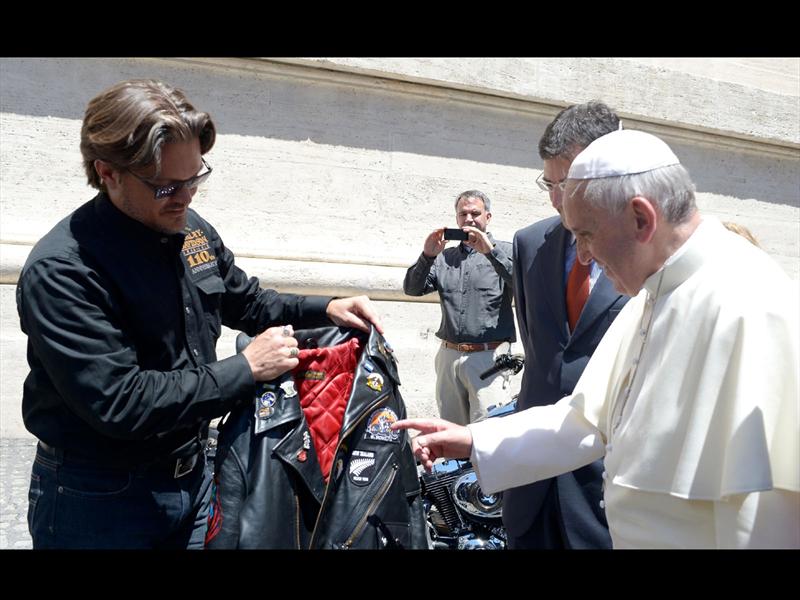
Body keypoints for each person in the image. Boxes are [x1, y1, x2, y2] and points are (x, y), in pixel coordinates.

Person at [16, 79, 384, 549]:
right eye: (167, 185)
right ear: (107, 172)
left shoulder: (189, 230)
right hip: (100, 499)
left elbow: (247, 302)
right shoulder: (64, 270)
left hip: (194, 481)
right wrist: (246, 369)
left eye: (196, 178)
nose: (186, 197)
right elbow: (121, 402)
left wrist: (328, 307)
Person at [394, 129, 800, 548]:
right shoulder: (654, 291)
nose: (583, 255)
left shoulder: (751, 302)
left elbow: (763, 513)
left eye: (586, 234)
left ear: (642, 219)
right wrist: (472, 439)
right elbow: (586, 420)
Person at [506, 101, 628, 549]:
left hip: (606, 492)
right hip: (531, 491)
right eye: (549, 184)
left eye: (569, 183)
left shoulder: (646, 252)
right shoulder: (529, 243)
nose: (558, 198)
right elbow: (542, 360)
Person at [403, 190, 516, 425]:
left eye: (475, 213)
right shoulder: (444, 258)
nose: (469, 219)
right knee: (451, 430)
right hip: (449, 356)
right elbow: (413, 289)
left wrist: (491, 252)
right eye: (462, 213)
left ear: (488, 217)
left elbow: (523, 284)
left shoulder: (506, 251)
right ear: (456, 219)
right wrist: (427, 256)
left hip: (489, 357)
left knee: (490, 432)